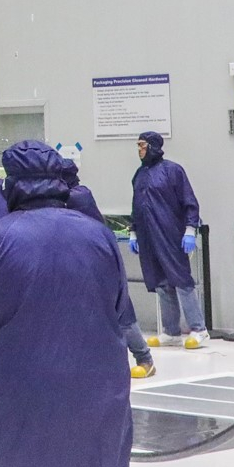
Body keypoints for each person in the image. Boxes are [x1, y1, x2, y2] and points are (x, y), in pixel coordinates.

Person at [0, 141, 133, 467]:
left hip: (20, 379)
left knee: (18, 459)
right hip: (98, 379)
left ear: (11, 186)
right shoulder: (99, 234)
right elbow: (120, 308)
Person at [68, 161, 153, 378]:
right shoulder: (73, 196)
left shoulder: (76, 197)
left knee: (122, 313)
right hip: (87, 261)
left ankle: (144, 358)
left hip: (98, 262)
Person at [129, 130, 208, 348]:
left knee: (181, 281)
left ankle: (199, 329)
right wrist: (134, 232)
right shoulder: (139, 175)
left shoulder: (173, 171)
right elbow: (136, 206)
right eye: (138, 146)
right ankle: (171, 331)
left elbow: (189, 201)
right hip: (149, 238)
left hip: (171, 235)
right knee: (162, 283)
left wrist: (190, 229)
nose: (139, 150)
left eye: (142, 145)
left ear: (153, 146)